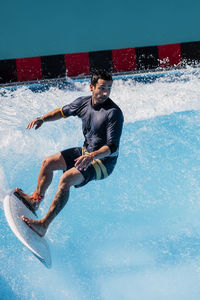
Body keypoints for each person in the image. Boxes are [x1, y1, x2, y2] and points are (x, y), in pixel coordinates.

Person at [15, 70, 124, 237]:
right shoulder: (83, 103)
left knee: (66, 179)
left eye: (109, 88)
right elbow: (61, 112)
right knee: (47, 163)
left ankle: (43, 225)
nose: (105, 92)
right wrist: (42, 119)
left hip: (103, 162)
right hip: (85, 152)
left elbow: (112, 147)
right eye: (102, 88)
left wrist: (91, 156)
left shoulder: (113, 113)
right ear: (91, 87)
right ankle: (34, 200)